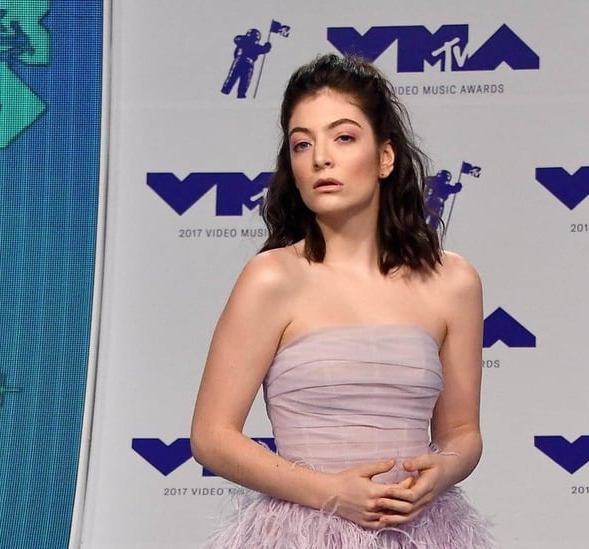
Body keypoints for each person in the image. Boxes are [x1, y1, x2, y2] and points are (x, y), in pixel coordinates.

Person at [191, 54, 493, 547]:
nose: (320, 158)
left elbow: (462, 430)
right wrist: (331, 493)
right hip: (303, 533)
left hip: (420, 533)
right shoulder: (271, 279)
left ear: (385, 158)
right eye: (301, 144)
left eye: (343, 137)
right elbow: (212, 436)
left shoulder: (453, 281)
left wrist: (440, 474)